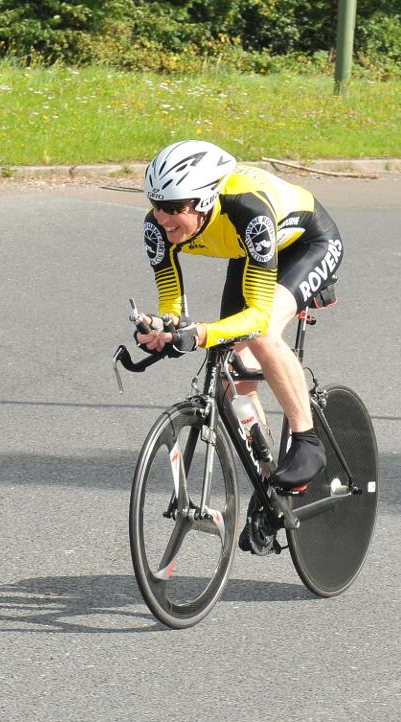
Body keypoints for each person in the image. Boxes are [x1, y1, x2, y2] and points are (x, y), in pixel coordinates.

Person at [135, 139, 345, 491]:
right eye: (156, 204)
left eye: (173, 207)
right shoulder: (157, 228)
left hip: (308, 243)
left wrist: (200, 333)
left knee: (262, 334)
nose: (161, 217)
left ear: (205, 202)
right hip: (249, 253)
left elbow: (257, 318)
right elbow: (171, 298)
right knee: (232, 374)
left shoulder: (248, 211)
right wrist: (164, 327)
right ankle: (271, 486)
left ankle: (307, 441)